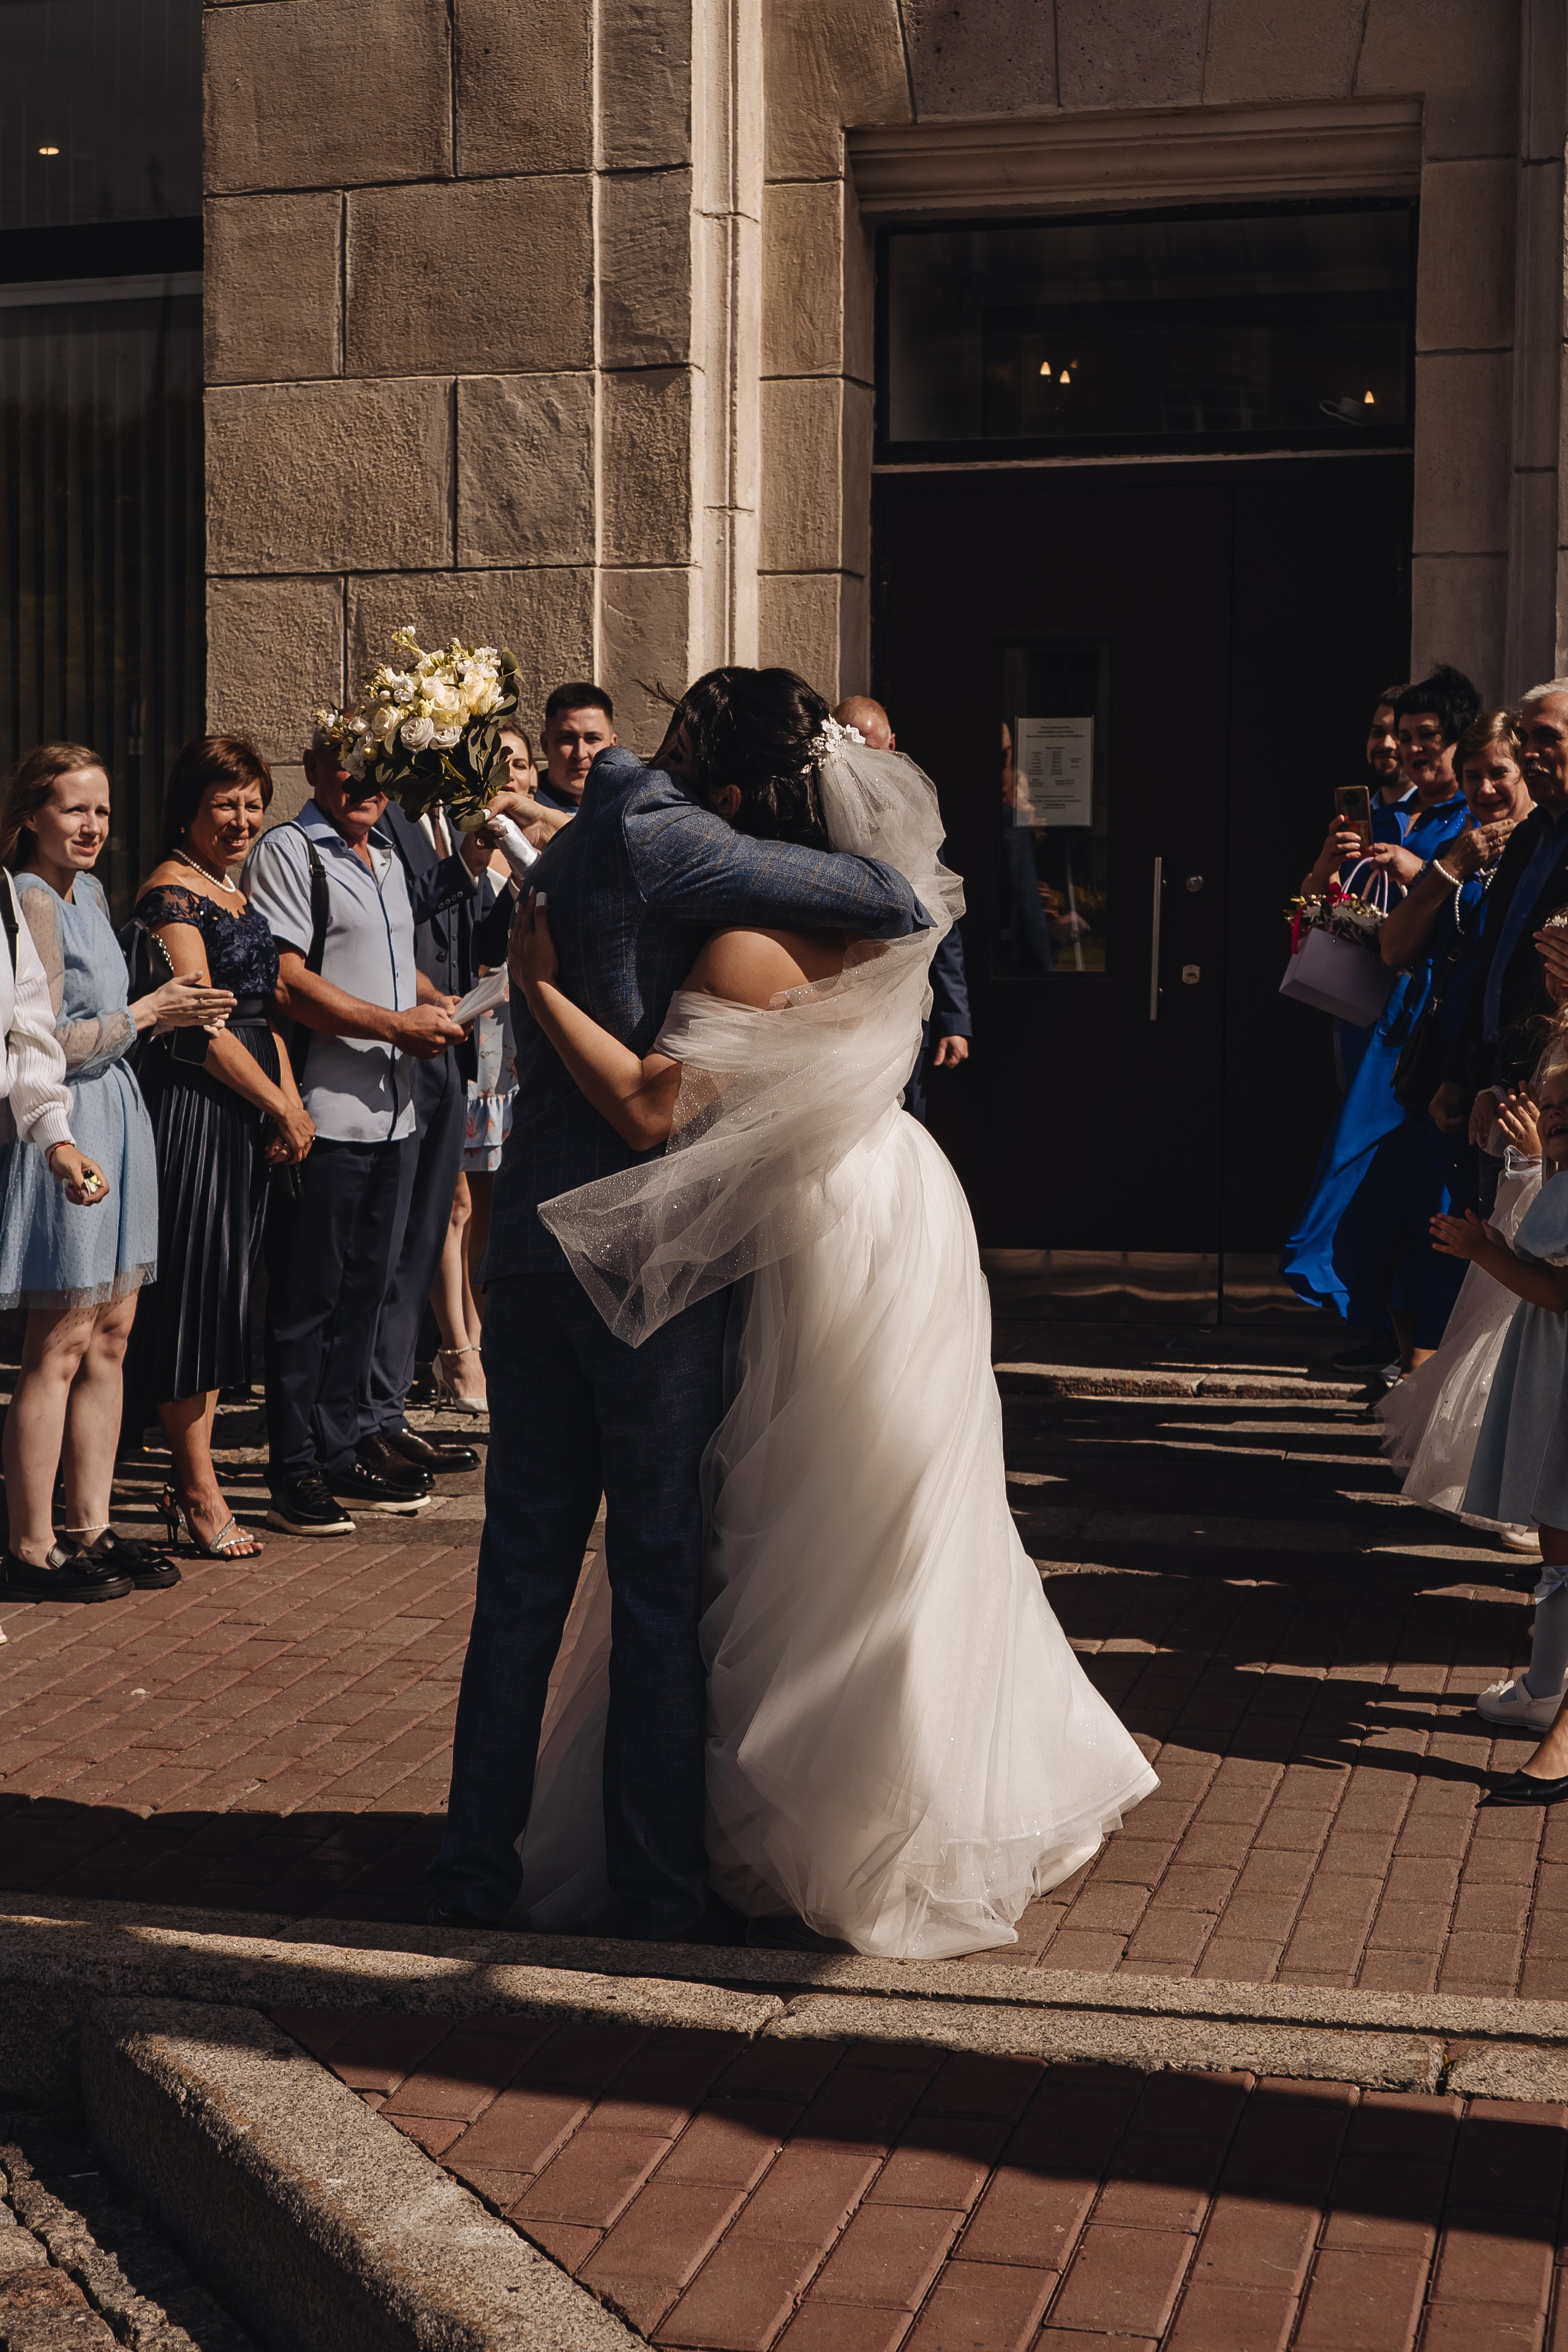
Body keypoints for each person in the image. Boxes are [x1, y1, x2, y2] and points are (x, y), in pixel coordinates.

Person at [502, 683, 1158, 1957]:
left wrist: (538, 989)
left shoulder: (747, 946)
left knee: (794, 1523)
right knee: (905, 1519)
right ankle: (944, 1784)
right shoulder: (886, 923)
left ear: (743, 818)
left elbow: (650, 1112)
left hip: (822, 1228)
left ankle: (818, 1819)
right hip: (904, 1203)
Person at [428, 667, 944, 1942]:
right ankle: (655, 1892)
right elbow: (891, 895)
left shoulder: (577, 839)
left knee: (518, 1585)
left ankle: (472, 1873)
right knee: (658, 1582)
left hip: (530, 1265)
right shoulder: (683, 841)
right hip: (646, 1265)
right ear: (734, 782)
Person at [242, 728, 490, 1536]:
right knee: (309, 1299)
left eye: (377, 765)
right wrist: (393, 1025)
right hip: (329, 1114)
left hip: (397, 1116)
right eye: (344, 764)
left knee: (369, 1291)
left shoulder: (385, 855)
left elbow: (384, 959)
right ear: (312, 769)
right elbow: (286, 981)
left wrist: (438, 999)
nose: (361, 779)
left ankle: (345, 1449)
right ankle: (293, 1469)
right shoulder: (292, 850)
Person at [0, 744, 231, 1602]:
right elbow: (42, 1042)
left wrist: (177, 1013)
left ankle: (89, 1526)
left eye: (101, 810)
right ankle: (29, 1543)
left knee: (112, 1332)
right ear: (31, 816)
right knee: (58, 1340)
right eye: (74, 810)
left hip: (121, 1111)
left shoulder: (89, 892)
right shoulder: (29, 901)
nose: (93, 826)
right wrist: (148, 1012)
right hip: (69, 1119)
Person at [119, 737, 315, 1561]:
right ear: (188, 812)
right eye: (223, 805)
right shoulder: (173, 892)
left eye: (250, 803)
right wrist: (276, 1102)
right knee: (197, 1298)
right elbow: (201, 1021)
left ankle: (191, 1477)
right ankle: (195, 1489)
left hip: (245, 1108)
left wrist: (288, 1104)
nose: (240, 821)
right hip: (197, 1111)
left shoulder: (230, 891)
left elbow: (262, 1010)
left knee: (231, 1289)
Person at [1283, 665, 1481, 1379]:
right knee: (1368, 1186)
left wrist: (1416, 874)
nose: (1412, 749)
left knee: (1422, 1187)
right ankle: (1392, 1342)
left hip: (1428, 1022)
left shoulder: (1472, 822)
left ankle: (1421, 1356)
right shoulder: (1390, 816)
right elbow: (1321, 917)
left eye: (1427, 736)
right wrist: (1327, 870)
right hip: (1375, 1020)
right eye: (1403, 737)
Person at [1431, 1056, 1568, 1793]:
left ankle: (1560, 1725)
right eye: (1548, 1104)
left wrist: (1482, 1251)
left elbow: (1555, 1290)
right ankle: (1544, 1683)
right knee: (1556, 1531)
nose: (1552, 1116)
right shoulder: (1559, 1179)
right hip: (1554, 1374)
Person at [360, 793, 494, 1486]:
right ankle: (364, 1413)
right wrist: (464, 865)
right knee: (392, 1239)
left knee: (422, 1239)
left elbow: (469, 927)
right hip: (394, 1047)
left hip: (451, 1043)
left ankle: (386, 1412)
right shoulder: (382, 821)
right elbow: (391, 923)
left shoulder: (450, 813)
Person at [1434, 682, 1568, 1194]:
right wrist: (1468, 1076)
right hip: (1502, 1089)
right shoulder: (1529, 836)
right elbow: (1492, 962)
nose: (1530, 752)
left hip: (1552, 1097)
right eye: (1525, 737)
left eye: (1547, 738)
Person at [834, 696, 971, 1124]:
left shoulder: (915, 816)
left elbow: (940, 920)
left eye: (871, 752)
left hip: (909, 998)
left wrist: (955, 1017)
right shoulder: (814, 808)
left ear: (892, 746)